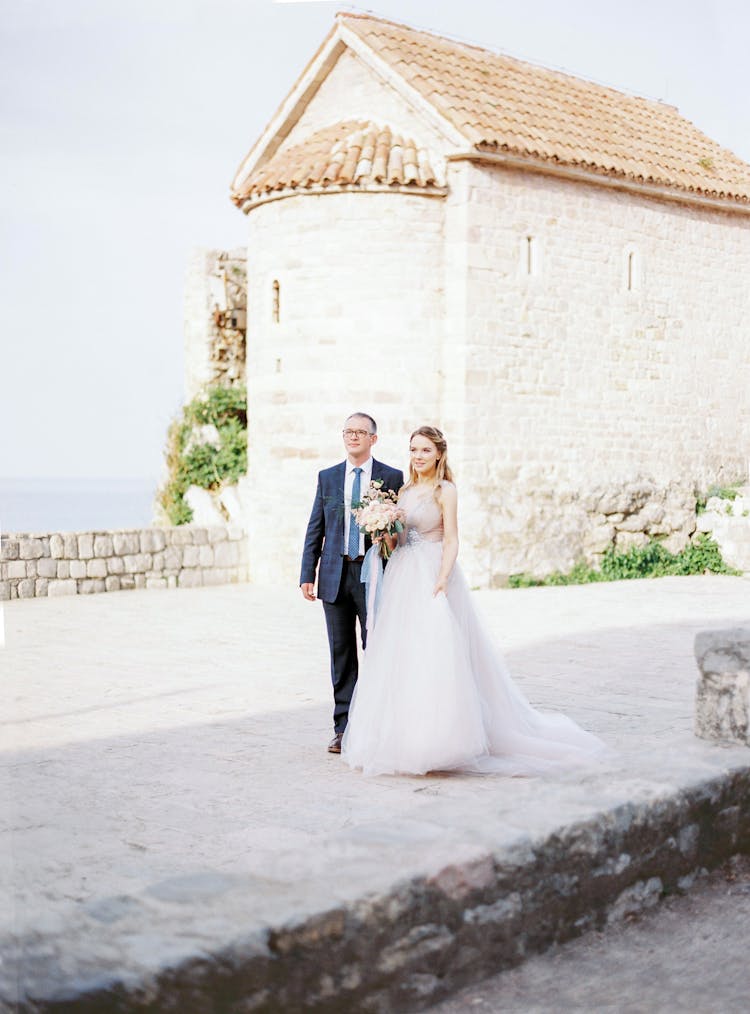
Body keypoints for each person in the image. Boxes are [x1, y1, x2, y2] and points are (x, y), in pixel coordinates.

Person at [342, 425, 608, 776]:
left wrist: (441, 579)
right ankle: (402, 735)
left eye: (424, 450)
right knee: (404, 652)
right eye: (413, 450)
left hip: (432, 571)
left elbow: (451, 539)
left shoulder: (445, 491)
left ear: (438, 453)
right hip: (403, 574)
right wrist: (383, 532)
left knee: (436, 652)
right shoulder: (404, 491)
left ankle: (438, 740)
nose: (418, 456)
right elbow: (399, 541)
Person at [300, 413, 404, 754]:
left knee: (376, 649)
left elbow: (400, 529)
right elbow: (317, 526)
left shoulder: (392, 477)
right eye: (348, 431)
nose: (353, 437)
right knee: (341, 655)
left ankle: (378, 724)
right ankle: (344, 728)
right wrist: (306, 574)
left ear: (373, 439)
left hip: (373, 575)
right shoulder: (327, 477)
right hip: (333, 575)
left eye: (360, 432)